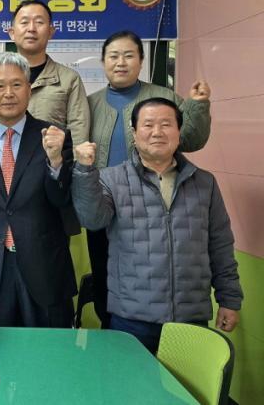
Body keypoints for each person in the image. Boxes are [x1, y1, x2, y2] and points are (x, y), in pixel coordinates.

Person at [72, 98, 242, 353]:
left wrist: (229, 299)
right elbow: (92, 219)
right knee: (131, 379)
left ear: (179, 131)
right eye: (148, 124)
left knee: (186, 381)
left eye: (166, 124)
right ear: (134, 132)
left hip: (190, 319)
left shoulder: (204, 183)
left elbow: (220, 246)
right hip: (131, 319)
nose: (157, 132)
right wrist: (84, 172)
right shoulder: (111, 179)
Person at [86, 30, 212, 328]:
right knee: (104, 274)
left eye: (129, 55)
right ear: (103, 62)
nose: (121, 62)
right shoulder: (89, 103)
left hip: (152, 205)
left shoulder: (164, 98)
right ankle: (112, 332)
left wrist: (197, 106)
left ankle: (160, 336)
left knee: (149, 273)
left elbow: (192, 140)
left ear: (141, 61)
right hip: (104, 203)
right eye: (113, 56)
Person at [0, 52, 76, 327]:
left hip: (43, 267)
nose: (8, 93)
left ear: (29, 89)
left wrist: (56, 161)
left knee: (47, 349)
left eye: (16, 84)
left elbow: (61, 198)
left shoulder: (54, 136)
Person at [0, 0, 90, 146]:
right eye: (24, 22)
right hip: (2, 157)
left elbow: (78, 136)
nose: (31, 28)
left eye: (39, 22)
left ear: (51, 32)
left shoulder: (69, 79)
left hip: (51, 159)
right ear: (12, 33)